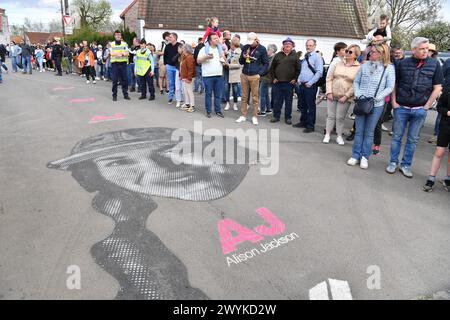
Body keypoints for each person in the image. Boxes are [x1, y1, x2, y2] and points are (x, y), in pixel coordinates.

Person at [47, 128, 252, 299]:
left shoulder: (137, 209)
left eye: (160, 154)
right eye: (118, 163)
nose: (147, 169)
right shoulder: (118, 240)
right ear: (90, 175)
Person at [386, 37, 444, 178]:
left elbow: (437, 87)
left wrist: (426, 106)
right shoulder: (402, 64)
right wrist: (394, 103)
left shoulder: (435, 64)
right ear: (413, 50)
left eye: (427, 49)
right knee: (397, 137)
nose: (425, 51)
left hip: (420, 109)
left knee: (413, 139)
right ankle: (393, 162)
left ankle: (406, 165)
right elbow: (395, 85)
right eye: (422, 49)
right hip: (401, 108)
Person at [347, 44, 395, 169]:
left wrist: (378, 97)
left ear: (381, 54)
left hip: (376, 105)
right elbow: (356, 81)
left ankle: (364, 157)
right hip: (362, 102)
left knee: (369, 132)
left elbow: (390, 87)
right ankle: (355, 155)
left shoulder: (389, 68)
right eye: (370, 52)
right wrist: (358, 94)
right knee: (359, 131)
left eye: (373, 52)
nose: (370, 54)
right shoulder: (364, 65)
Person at [324, 44, 361, 145]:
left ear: (356, 55)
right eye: (347, 51)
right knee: (330, 115)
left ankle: (339, 136)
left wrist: (346, 96)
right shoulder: (337, 63)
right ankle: (327, 134)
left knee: (340, 117)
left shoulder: (358, 67)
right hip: (333, 94)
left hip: (345, 97)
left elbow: (355, 84)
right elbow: (329, 78)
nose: (347, 53)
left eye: (350, 52)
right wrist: (329, 92)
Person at [236, 32, 269, 126]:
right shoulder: (245, 47)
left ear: (256, 40)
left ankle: (254, 116)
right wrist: (243, 56)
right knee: (244, 97)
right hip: (244, 74)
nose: (250, 44)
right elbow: (241, 62)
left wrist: (260, 74)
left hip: (255, 76)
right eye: (249, 41)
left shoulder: (262, 49)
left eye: (252, 42)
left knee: (255, 97)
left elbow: (266, 63)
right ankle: (243, 115)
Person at [423, 83, 450, 192]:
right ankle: (431, 179)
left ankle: (448, 180)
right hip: (446, 125)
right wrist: (447, 112)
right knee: (439, 152)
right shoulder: (448, 89)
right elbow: (439, 107)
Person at [293, 39, 324, 133]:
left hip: (310, 85)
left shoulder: (317, 57)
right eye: (307, 45)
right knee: (302, 105)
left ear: (315, 46)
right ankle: (303, 121)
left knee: (310, 106)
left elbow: (319, 72)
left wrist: (310, 83)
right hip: (302, 84)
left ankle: (310, 125)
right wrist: (298, 80)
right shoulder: (306, 56)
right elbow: (303, 70)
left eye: (310, 45)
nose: (308, 47)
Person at [269, 38, 300, 125]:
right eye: (285, 44)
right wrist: (273, 78)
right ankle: (276, 116)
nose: (287, 45)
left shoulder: (295, 56)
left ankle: (288, 118)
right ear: (283, 45)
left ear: (292, 46)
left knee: (288, 101)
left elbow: (298, 69)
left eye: (289, 44)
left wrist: (295, 79)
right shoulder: (278, 55)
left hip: (289, 83)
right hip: (277, 82)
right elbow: (272, 68)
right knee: (277, 101)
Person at [197, 33, 224, 118]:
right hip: (208, 75)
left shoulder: (220, 49)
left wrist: (224, 60)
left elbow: (224, 59)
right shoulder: (204, 49)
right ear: (210, 40)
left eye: (217, 38)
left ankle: (218, 110)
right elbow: (198, 61)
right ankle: (208, 111)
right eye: (215, 38)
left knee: (218, 94)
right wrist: (206, 57)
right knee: (208, 94)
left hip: (219, 75)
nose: (217, 40)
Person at [110, 30, 130, 101]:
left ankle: (125, 94)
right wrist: (120, 53)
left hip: (123, 63)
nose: (118, 36)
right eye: (117, 35)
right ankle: (114, 95)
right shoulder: (111, 44)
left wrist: (121, 54)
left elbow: (127, 52)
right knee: (115, 80)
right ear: (114, 36)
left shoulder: (125, 44)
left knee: (125, 79)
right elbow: (111, 53)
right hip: (115, 63)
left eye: (119, 35)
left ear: (121, 36)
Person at [223, 37, 242, 111]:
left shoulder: (240, 52)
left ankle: (235, 104)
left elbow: (240, 65)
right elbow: (227, 60)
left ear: (234, 44)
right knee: (226, 88)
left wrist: (229, 65)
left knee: (235, 89)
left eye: (231, 44)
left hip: (235, 73)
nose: (230, 45)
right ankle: (227, 103)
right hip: (227, 72)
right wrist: (225, 62)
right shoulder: (229, 51)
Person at [259, 43, 277, 117]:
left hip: (266, 77)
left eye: (268, 49)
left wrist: (259, 72)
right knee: (265, 94)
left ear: (272, 50)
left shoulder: (273, 58)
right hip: (266, 77)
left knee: (262, 94)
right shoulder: (269, 57)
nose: (267, 51)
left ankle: (262, 111)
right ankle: (268, 109)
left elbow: (267, 68)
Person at [164, 33, 181, 105]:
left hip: (177, 67)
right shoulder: (167, 46)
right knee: (171, 83)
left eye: (170, 37)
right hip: (169, 67)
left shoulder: (180, 45)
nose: (169, 38)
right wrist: (166, 64)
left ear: (175, 38)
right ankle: (170, 98)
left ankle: (179, 99)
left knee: (178, 84)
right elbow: (165, 55)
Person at [179, 44, 196, 112]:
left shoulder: (190, 57)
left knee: (189, 91)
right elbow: (182, 68)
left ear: (186, 49)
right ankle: (187, 104)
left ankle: (192, 106)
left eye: (183, 48)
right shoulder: (185, 56)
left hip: (188, 77)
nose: (182, 49)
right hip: (185, 77)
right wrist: (181, 76)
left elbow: (190, 69)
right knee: (186, 91)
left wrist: (189, 78)